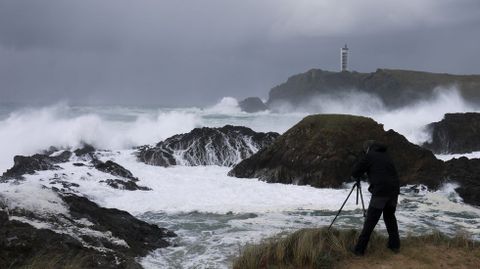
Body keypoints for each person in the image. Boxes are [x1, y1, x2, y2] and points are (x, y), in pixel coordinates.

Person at [351, 140, 400, 256]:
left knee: (370, 221)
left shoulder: (370, 156)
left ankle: (359, 250)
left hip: (381, 192)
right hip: (394, 191)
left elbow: (355, 172)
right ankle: (394, 246)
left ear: (368, 149)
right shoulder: (386, 156)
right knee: (390, 217)